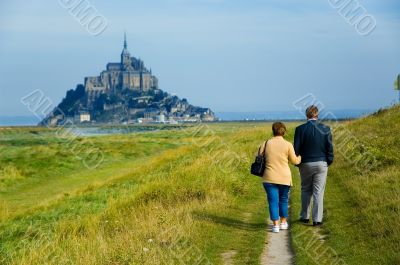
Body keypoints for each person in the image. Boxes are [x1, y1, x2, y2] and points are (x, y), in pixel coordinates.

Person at [294, 105, 334, 226]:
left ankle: (305, 216)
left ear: (307, 115)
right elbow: (329, 148)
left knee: (305, 189)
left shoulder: (300, 129)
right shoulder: (326, 129)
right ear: (317, 115)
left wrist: (298, 163)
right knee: (318, 192)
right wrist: (328, 161)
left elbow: (296, 149)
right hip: (321, 163)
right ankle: (317, 220)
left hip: (305, 163)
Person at [259, 122, 301, 233]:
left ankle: (275, 225)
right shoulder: (288, 144)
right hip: (284, 178)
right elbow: (294, 161)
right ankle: (283, 223)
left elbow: (258, 157)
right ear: (284, 131)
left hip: (269, 177)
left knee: (273, 201)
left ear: (273, 131)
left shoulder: (266, 143)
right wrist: (300, 157)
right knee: (283, 200)